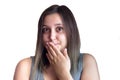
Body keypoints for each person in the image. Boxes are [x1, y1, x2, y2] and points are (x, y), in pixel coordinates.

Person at [13, 4, 100, 80]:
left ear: (71, 32)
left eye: (59, 29)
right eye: (46, 30)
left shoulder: (87, 62)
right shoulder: (25, 67)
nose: (51, 36)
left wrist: (64, 74)